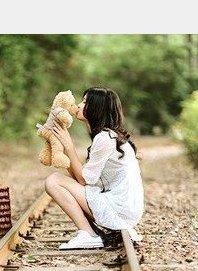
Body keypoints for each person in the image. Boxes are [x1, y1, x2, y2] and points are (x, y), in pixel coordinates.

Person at [44, 87, 144, 250]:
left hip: (120, 209)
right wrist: (64, 150)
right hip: (123, 207)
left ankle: (88, 234)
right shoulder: (108, 136)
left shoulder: (105, 138)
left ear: (96, 109)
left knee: (53, 180)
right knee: (56, 180)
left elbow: (83, 180)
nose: (79, 105)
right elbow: (82, 179)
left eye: (84, 102)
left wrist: (69, 147)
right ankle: (90, 233)